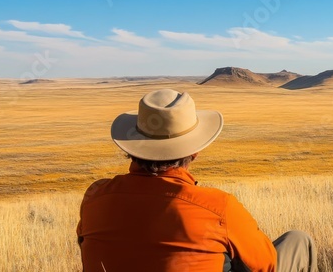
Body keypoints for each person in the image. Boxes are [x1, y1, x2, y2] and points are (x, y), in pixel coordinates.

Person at [76, 89, 317, 272]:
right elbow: (266, 264)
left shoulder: (95, 197)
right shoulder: (217, 207)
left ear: (132, 147)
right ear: (195, 151)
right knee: (298, 241)